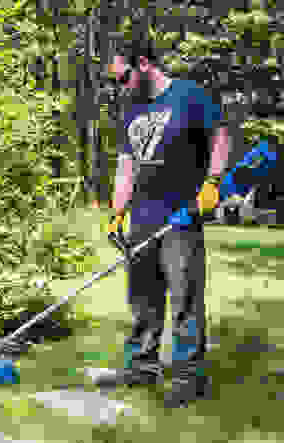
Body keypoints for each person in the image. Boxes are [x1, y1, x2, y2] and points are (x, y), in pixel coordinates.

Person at [99, 38, 232, 409]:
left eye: (122, 77)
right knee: (143, 299)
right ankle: (142, 367)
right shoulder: (133, 109)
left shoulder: (187, 95)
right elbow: (126, 167)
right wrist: (116, 215)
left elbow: (220, 134)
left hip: (180, 216)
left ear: (143, 64)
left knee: (184, 297)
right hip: (141, 218)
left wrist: (213, 182)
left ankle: (188, 378)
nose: (120, 87)